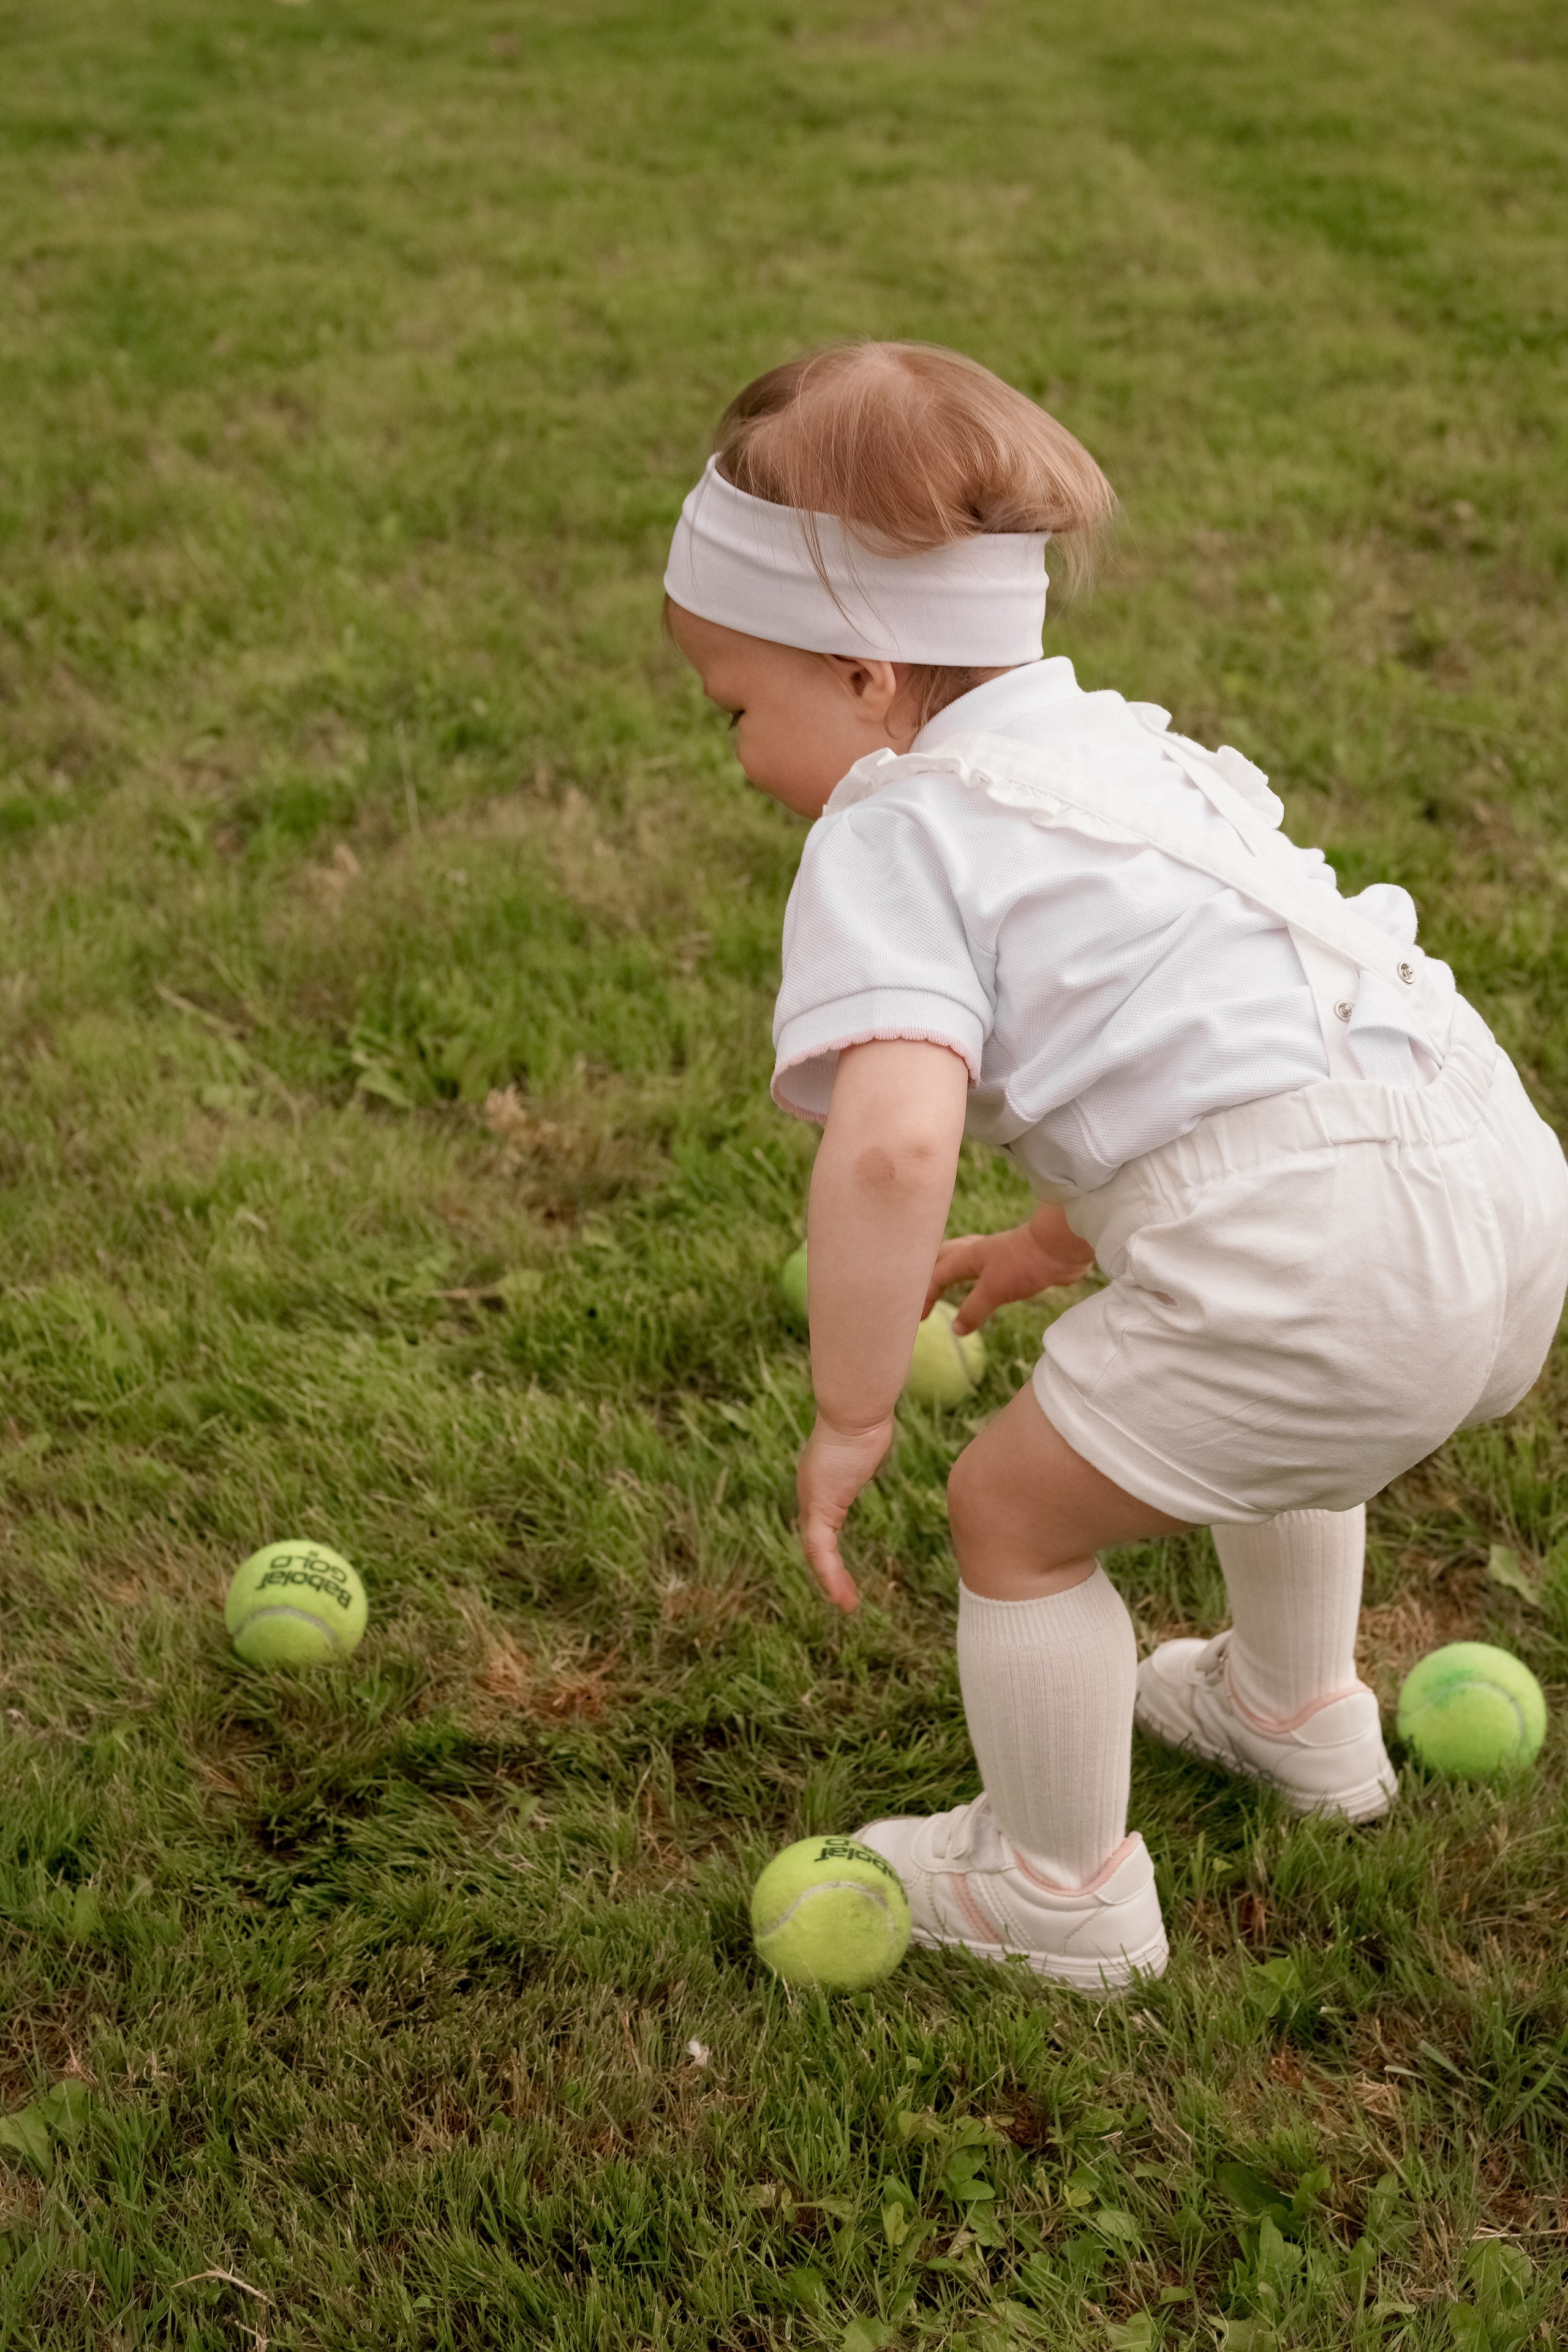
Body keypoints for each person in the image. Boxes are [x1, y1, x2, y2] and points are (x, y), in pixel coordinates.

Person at [662, 341, 1568, 1990]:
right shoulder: (1120, 749)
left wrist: (857, 1402)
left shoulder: (894, 825)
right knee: (1293, 1410)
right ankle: (1297, 1712)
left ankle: (1057, 1886)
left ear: (868, 678)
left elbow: (889, 1149)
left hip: (1325, 1250)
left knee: (1009, 1514)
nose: (736, 757)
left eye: (737, 708)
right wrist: (1059, 1243)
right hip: (1494, 1181)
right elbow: (1210, 1040)